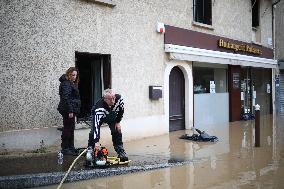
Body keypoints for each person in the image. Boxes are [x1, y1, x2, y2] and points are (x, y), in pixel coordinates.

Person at [88, 89, 128, 161]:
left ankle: (121, 151)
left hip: (112, 115)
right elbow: (96, 126)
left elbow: (121, 111)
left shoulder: (119, 99)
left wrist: (118, 122)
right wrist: (96, 141)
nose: (113, 101)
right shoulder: (99, 108)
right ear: (105, 99)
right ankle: (90, 149)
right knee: (93, 132)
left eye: (113, 98)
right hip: (101, 116)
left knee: (117, 130)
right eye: (110, 99)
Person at [57, 67, 81, 155]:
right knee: (67, 128)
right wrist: (70, 110)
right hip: (68, 110)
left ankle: (71, 147)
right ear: (68, 74)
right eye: (72, 75)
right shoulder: (66, 84)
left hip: (71, 109)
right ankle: (65, 148)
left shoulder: (70, 83)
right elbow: (66, 98)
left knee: (71, 128)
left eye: (75, 75)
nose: (74, 77)